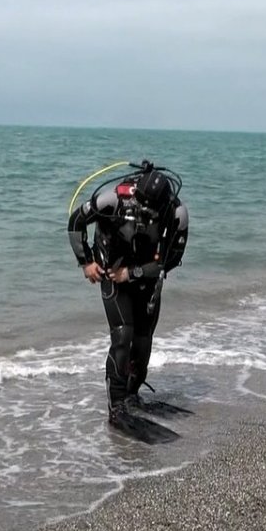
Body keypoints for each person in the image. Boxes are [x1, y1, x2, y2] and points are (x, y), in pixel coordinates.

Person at [67, 161, 189, 440]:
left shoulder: (176, 213)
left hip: (143, 274)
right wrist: (86, 262)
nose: (144, 213)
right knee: (123, 336)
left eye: (150, 210)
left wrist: (132, 274)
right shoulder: (113, 199)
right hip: (112, 270)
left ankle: (133, 395)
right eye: (141, 206)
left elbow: (170, 260)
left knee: (144, 340)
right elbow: (75, 222)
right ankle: (117, 405)